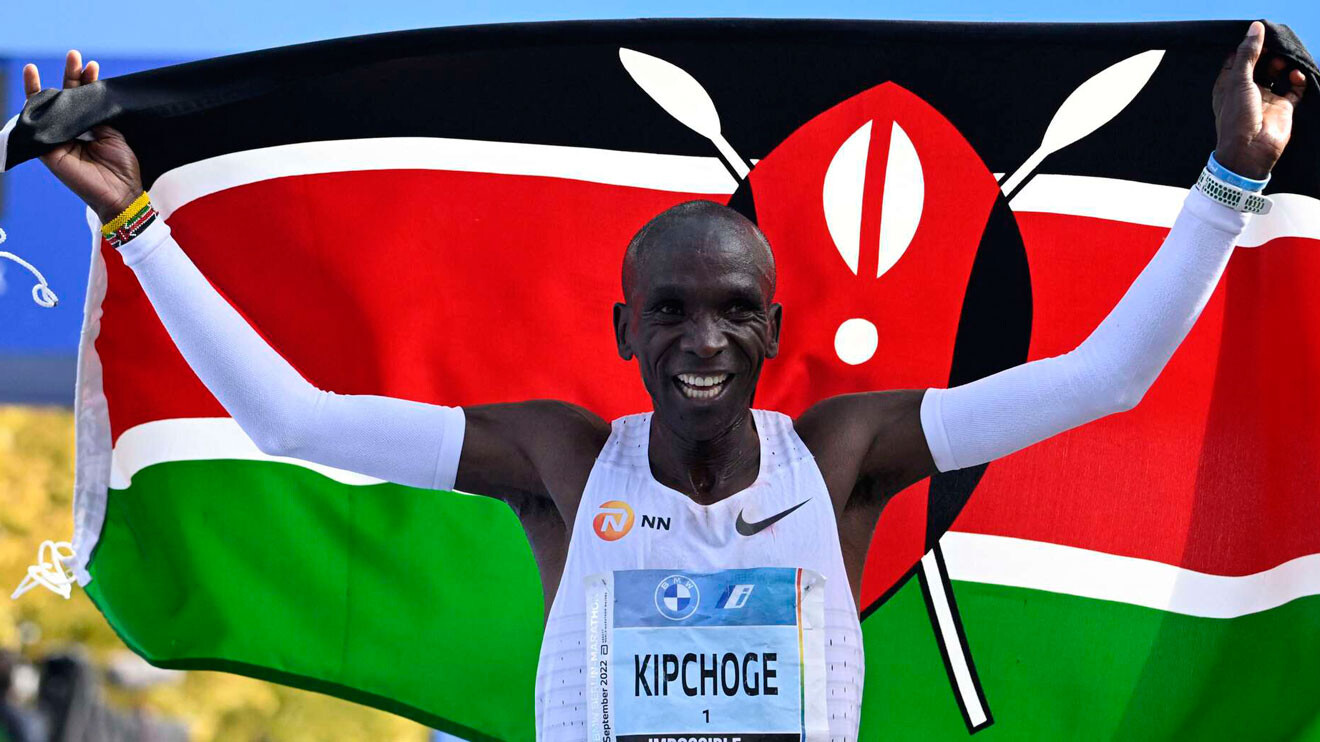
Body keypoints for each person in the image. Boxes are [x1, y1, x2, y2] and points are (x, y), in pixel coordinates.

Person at [24, 22, 1306, 741]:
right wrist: (136, 221)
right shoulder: (561, 459)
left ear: (773, 329)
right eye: (674, 312)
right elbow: (289, 417)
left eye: (737, 311)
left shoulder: (843, 454)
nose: (706, 338)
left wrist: (1232, 179)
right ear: (624, 329)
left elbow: (1103, 379)